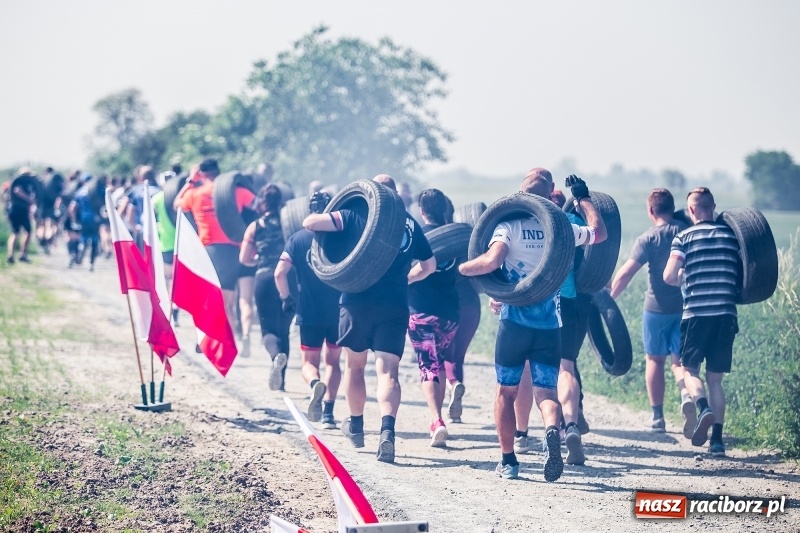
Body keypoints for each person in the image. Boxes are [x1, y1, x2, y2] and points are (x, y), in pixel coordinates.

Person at [458, 169, 607, 481]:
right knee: (546, 392)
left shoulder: (509, 225)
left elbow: (491, 261)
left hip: (514, 324)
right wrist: (582, 198)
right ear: (551, 191)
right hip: (550, 326)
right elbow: (598, 232)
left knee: (506, 393)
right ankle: (552, 430)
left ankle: (509, 461)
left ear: (521, 194)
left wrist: (463, 267)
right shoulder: (565, 227)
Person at [303, 174, 436, 463]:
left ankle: (357, 425)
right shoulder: (410, 224)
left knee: (355, 366)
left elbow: (311, 224)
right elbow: (429, 265)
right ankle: (387, 432)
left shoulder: (355, 212)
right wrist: (406, 279)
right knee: (389, 372)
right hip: (395, 304)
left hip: (357, 301)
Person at [512, 191, 593, 465]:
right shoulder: (570, 223)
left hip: (531, 303)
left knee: (525, 370)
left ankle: (521, 435)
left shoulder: (525, 223)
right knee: (565, 368)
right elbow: (599, 232)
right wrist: (584, 199)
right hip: (567, 303)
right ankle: (570, 426)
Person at [663, 187, 740, 457]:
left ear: (692, 210)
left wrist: (683, 274)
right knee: (716, 379)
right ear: (714, 207)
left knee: (689, 371)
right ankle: (717, 441)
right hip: (726, 315)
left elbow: (668, 276)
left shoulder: (683, 237)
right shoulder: (731, 236)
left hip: (696, 315)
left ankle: (703, 407)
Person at [610, 188, 692, 435]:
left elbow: (625, 274)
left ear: (651, 210)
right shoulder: (687, 232)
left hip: (656, 309)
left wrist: (607, 303)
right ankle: (687, 393)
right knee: (681, 362)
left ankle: (657, 417)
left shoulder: (648, 238)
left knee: (655, 360)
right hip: (686, 307)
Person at [275, 191, 343, 426]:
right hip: (338, 310)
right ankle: (328, 414)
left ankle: (315, 384)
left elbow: (279, 273)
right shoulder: (342, 238)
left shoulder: (297, 238)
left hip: (309, 310)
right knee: (333, 363)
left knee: (309, 363)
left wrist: (286, 298)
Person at [175, 159, 257, 335]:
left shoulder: (194, 194)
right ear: (219, 172)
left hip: (208, 251)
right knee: (229, 300)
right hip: (234, 248)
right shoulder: (237, 192)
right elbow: (259, 206)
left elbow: (176, 205)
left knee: (207, 298)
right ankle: (234, 338)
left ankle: (212, 337)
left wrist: (191, 180)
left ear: (201, 174)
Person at [407, 189, 460, 447]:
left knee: (428, 366)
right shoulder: (458, 237)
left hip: (421, 312)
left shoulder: (418, 235)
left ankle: (436, 420)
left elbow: (411, 268)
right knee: (437, 364)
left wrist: (404, 280)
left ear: (422, 210)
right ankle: (436, 421)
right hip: (451, 315)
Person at [240, 184, 292, 391]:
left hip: (263, 277)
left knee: (268, 329)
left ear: (262, 201)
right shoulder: (287, 223)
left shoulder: (255, 226)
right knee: (284, 330)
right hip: (287, 276)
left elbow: (244, 258)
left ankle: (274, 357)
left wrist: (258, 261)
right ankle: (282, 382)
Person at [5, 167, 39, 264]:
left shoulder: (17, 180)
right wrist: (30, 200)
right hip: (18, 210)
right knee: (25, 231)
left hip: (16, 210)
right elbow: (18, 191)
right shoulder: (21, 181)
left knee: (17, 232)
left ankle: (13, 254)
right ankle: (21, 254)